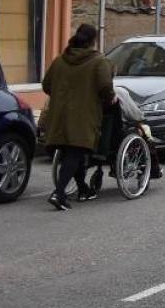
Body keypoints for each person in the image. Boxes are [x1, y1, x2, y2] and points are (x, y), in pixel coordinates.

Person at [42, 24, 115, 211]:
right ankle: (58, 193)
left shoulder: (60, 61)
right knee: (75, 152)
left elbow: (46, 85)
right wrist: (111, 98)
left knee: (70, 154)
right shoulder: (99, 62)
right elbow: (106, 86)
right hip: (84, 115)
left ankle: (83, 189)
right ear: (93, 41)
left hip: (58, 115)